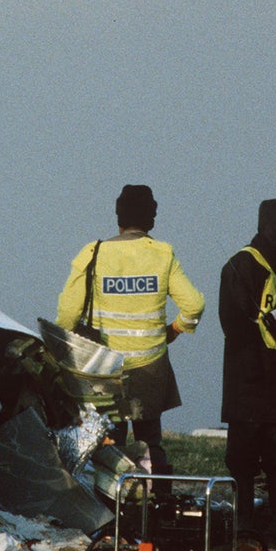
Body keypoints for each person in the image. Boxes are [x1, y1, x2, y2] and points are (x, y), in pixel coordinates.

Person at [56, 185, 204, 472]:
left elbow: (68, 315)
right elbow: (195, 305)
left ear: (118, 218)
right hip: (150, 368)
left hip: (105, 371)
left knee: (109, 442)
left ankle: (115, 503)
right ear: (152, 219)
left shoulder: (94, 253)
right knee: (150, 441)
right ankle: (158, 498)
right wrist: (175, 328)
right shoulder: (162, 254)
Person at [219, 199, 276, 542]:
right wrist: (259, 368)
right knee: (242, 456)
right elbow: (235, 325)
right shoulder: (242, 266)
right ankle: (245, 526)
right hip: (250, 381)